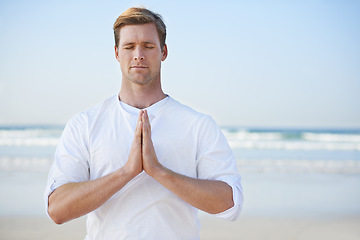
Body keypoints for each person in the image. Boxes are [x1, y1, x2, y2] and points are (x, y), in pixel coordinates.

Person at [44, 7, 243, 240]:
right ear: (117, 53)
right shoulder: (84, 124)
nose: (138, 54)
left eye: (148, 46)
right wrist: (126, 172)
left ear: (163, 52)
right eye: (129, 47)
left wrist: (158, 171)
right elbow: (57, 209)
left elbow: (230, 205)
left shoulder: (198, 125)